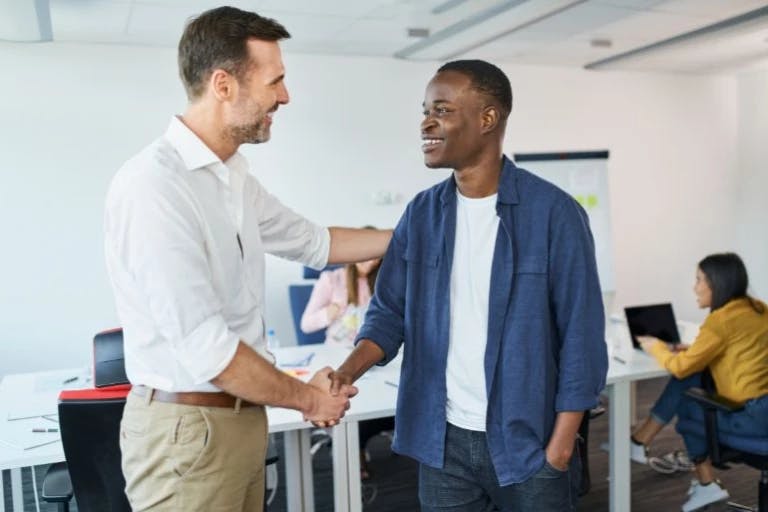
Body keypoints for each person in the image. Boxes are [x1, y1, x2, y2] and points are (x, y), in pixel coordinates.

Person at [103, 7, 391, 511]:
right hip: (188, 432)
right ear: (223, 85)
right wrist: (310, 399)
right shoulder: (155, 186)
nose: (285, 96)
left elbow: (315, 243)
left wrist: (419, 231)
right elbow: (207, 348)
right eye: (275, 81)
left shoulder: (231, 176)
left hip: (239, 420)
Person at [321, 60, 608, 511]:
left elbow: (582, 337)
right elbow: (388, 314)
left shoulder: (555, 214)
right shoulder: (421, 214)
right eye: (424, 110)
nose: (426, 122)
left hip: (528, 444)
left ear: (487, 119)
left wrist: (561, 446)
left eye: (443, 110)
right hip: (443, 443)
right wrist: (345, 372)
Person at [633, 252, 768, 512]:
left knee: (688, 410)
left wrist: (656, 347)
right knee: (694, 381)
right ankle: (640, 443)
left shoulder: (720, 320)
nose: (694, 287)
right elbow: (741, 349)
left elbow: (681, 368)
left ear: (716, 283)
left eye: (698, 280)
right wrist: (695, 349)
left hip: (753, 419)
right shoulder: (761, 309)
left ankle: (705, 483)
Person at [300, 252, 395, 479]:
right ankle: (352, 454)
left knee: (389, 399)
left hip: (373, 357)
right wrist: (329, 313)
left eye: (376, 259)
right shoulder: (332, 280)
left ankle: (360, 442)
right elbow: (306, 324)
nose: (370, 261)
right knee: (349, 399)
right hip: (336, 355)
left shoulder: (384, 282)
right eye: (366, 255)